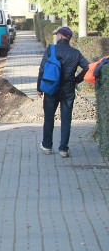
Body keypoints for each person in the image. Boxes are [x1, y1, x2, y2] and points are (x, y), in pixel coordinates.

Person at [37, 26, 89, 158]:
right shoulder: (75, 53)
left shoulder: (51, 49)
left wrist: (39, 88)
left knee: (49, 117)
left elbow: (42, 69)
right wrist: (77, 80)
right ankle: (63, 149)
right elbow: (87, 67)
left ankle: (47, 146)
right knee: (66, 119)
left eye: (57, 35)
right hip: (68, 89)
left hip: (51, 89)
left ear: (60, 36)